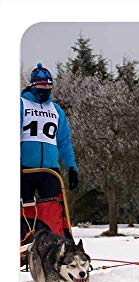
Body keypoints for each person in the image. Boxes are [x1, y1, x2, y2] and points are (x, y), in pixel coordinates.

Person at [20, 63, 79, 240]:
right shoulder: (21, 104)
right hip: (24, 167)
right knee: (25, 209)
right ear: (32, 85)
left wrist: (72, 168)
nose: (44, 89)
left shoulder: (56, 110)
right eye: (40, 85)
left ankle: (57, 242)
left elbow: (64, 142)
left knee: (54, 209)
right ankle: (24, 241)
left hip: (50, 170)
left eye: (48, 85)